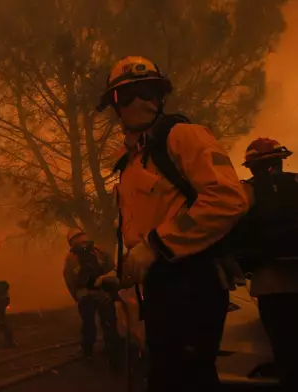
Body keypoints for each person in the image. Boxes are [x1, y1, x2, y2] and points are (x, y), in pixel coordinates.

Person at [99, 56, 249, 391]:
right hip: (160, 287)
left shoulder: (184, 137)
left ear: (161, 96)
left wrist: (156, 246)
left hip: (193, 281)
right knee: (167, 375)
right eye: (127, 95)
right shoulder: (131, 162)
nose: (139, 101)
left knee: (187, 379)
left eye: (148, 91)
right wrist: (122, 270)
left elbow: (228, 198)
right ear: (114, 105)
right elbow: (146, 226)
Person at [237, 138, 298, 392]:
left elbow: (234, 233)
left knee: (285, 351)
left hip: (269, 283)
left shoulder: (244, 192)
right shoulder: (297, 182)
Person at [63, 228, 122, 370]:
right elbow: (112, 269)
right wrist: (112, 290)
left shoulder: (70, 257)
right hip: (102, 293)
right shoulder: (99, 250)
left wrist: (77, 296)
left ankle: (88, 352)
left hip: (85, 295)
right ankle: (113, 357)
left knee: (88, 325)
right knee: (109, 324)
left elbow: (69, 278)